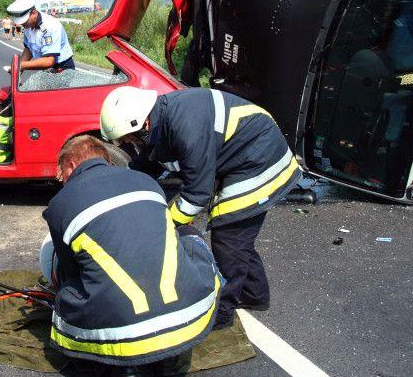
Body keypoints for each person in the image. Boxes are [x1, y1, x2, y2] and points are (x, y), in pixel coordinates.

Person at [99, 86, 302, 330]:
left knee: (229, 238)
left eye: (129, 139)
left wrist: (164, 224)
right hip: (246, 154)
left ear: (142, 124)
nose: (129, 144)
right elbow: (148, 162)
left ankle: (223, 312)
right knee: (239, 238)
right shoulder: (161, 120)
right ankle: (254, 294)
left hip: (259, 159)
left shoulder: (186, 128)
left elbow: (197, 194)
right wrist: (117, 186)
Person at [41, 135, 221, 373]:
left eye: (61, 172)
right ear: (106, 159)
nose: (61, 179)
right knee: (187, 233)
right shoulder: (145, 180)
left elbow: (70, 271)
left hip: (119, 337)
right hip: (188, 318)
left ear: (72, 165)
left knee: (66, 290)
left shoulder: (59, 204)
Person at [6, 0, 74, 71]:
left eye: (25, 21)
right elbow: (28, 49)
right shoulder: (28, 26)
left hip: (62, 67)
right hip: (45, 68)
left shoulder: (50, 26)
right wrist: (18, 68)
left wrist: (21, 65)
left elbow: (49, 61)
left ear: (34, 13)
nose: (22, 24)